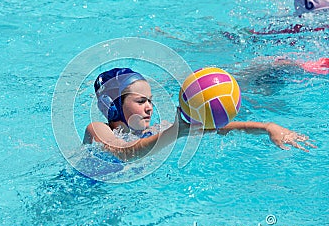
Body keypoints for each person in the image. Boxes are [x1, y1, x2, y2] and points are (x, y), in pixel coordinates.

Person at [83, 68, 315, 162]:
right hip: (80, 191)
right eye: (141, 101)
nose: (149, 107)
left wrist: (267, 127)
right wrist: (175, 132)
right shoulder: (98, 130)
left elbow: (217, 127)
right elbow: (125, 153)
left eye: (150, 101)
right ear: (111, 106)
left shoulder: (154, 131)